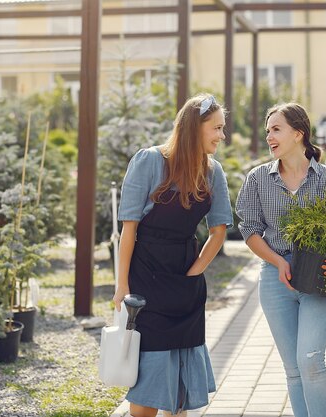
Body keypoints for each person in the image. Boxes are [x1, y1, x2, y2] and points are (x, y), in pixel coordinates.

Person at [235, 102, 326, 417]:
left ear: (298, 133)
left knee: (310, 360)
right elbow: (249, 229)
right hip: (275, 278)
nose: (269, 137)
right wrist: (278, 262)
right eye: (268, 131)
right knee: (292, 367)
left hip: (320, 275)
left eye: (276, 129)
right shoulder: (257, 179)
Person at [113, 94, 233, 417]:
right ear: (195, 128)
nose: (222, 136)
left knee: (181, 382)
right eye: (217, 128)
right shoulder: (149, 161)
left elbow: (218, 231)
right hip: (146, 281)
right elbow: (129, 229)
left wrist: (193, 275)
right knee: (150, 374)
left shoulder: (213, 172)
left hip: (186, 279)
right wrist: (121, 285)